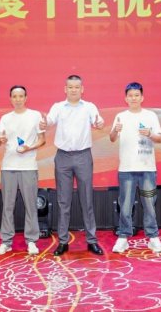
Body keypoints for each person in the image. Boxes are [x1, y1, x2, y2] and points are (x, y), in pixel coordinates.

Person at [42, 75, 105, 256]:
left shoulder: (89, 107)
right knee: (63, 201)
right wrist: (44, 122)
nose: (74, 90)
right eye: (70, 87)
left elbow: (98, 122)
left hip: (83, 156)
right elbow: (49, 121)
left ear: (82, 89)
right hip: (62, 157)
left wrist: (100, 123)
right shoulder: (58, 107)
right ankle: (63, 242)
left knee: (87, 199)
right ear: (65, 89)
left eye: (77, 87)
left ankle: (91, 241)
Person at [109, 82, 161, 254]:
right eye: (130, 96)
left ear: (142, 97)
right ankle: (123, 237)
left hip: (147, 168)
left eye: (136, 95)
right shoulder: (120, 116)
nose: (133, 98)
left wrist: (150, 134)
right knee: (125, 205)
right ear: (126, 98)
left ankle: (153, 237)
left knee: (149, 204)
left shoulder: (150, 116)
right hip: (126, 169)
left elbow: (160, 138)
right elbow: (112, 138)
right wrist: (115, 130)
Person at [0, 85, 46, 256]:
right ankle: (6, 242)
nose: (18, 99)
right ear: (10, 98)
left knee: (31, 205)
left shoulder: (35, 115)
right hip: (8, 166)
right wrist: (0, 140)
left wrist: (29, 148)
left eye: (21, 96)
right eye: (14, 96)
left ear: (26, 97)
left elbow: (42, 140)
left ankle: (31, 241)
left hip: (28, 166)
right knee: (7, 206)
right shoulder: (5, 118)